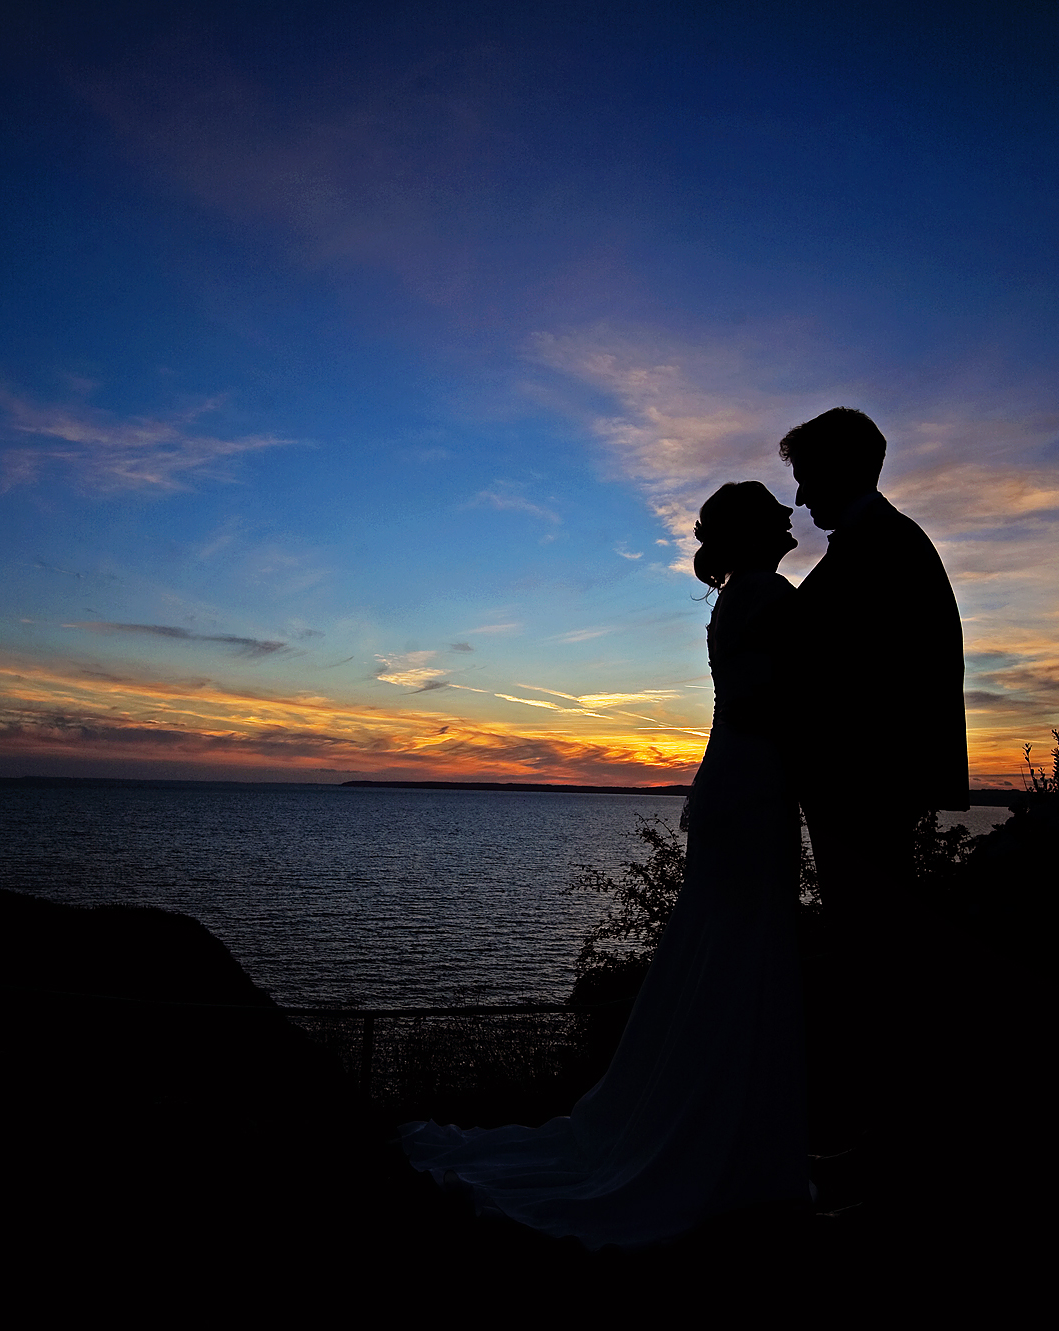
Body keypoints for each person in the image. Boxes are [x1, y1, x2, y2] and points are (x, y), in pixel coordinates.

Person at [397, 481, 813, 1250]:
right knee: (740, 958)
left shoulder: (742, 599)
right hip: (753, 788)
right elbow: (790, 702)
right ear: (754, 531)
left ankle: (726, 1132)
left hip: (738, 782)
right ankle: (726, 1148)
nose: (791, 515)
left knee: (721, 954)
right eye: (773, 510)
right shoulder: (769, 595)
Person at [777, 407, 968, 1156]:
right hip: (860, 788)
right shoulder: (880, 544)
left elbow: (881, 678)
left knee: (875, 961)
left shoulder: (885, 547)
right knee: (869, 956)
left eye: (804, 478)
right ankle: (882, 1131)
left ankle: (888, 1141)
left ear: (839, 469)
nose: (798, 500)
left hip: (865, 791)